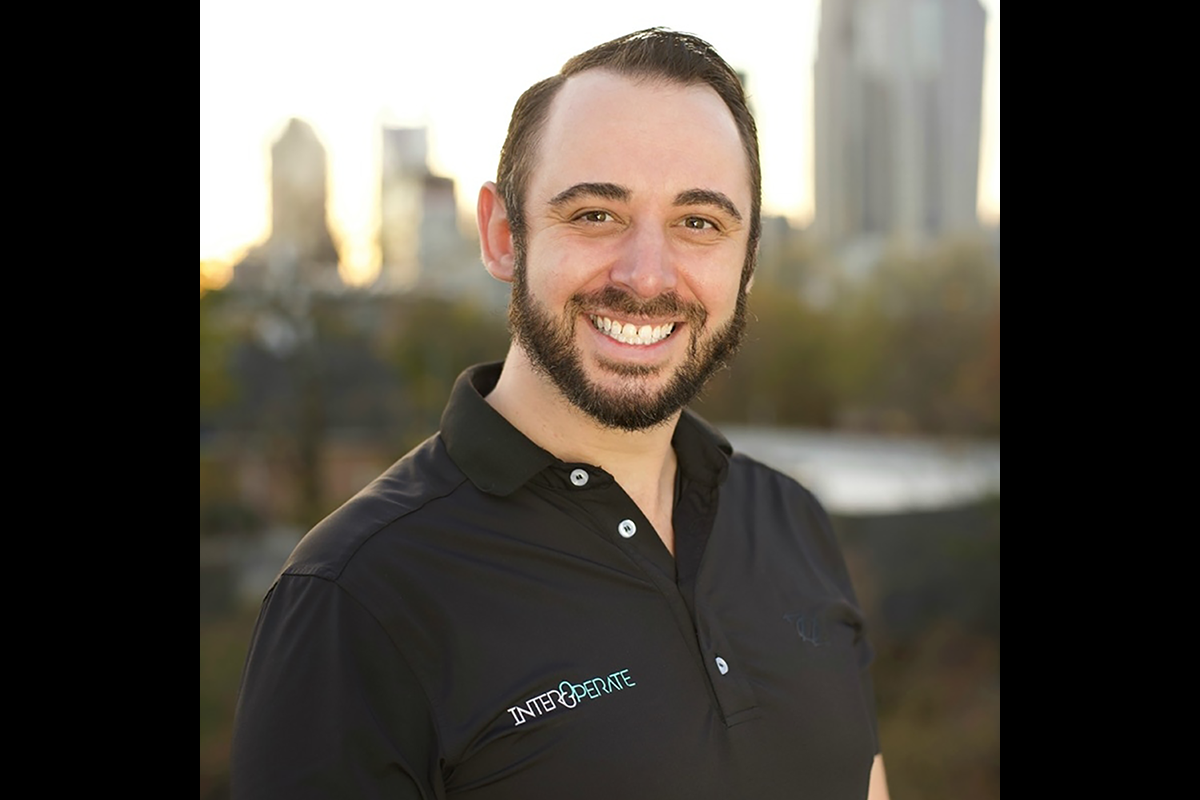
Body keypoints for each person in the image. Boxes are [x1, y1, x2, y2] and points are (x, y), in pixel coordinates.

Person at [231, 28, 889, 800]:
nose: (647, 276)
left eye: (699, 223)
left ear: (746, 264)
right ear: (504, 236)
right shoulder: (353, 597)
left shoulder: (793, 522)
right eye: (595, 216)